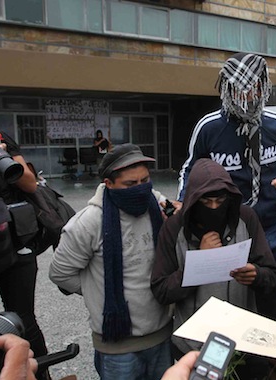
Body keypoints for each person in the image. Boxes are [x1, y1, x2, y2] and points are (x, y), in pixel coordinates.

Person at [177, 52, 276, 319]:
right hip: (228, 230)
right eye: (242, 88)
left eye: (257, 87)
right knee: (233, 294)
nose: (250, 94)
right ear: (228, 88)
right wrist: (182, 203)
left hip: (273, 226)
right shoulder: (209, 127)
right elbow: (189, 169)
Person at [49, 143, 173, 380]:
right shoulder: (89, 222)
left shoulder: (156, 207)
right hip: (118, 347)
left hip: (162, 336)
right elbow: (60, 273)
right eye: (130, 184)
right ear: (109, 184)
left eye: (145, 181)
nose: (140, 188)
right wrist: (100, 290)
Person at [151, 158, 276, 377]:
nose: (214, 208)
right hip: (193, 349)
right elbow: (161, 290)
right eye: (206, 202)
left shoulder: (245, 218)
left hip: (243, 345)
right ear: (193, 200)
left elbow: (271, 274)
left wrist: (256, 275)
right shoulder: (174, 228)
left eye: (220, 201)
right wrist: (200, 260)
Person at [0, 131, 51, 380]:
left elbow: (29, 183)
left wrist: (2, 155)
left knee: (23, 319)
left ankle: (40, 375)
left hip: (14, 241)